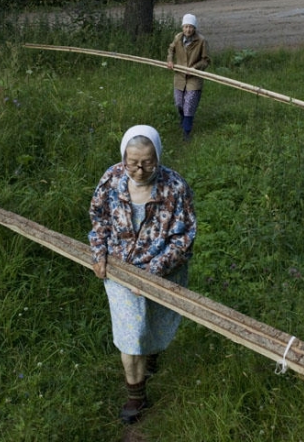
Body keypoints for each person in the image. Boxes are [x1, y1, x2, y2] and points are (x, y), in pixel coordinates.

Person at [88, 125, 197, 424]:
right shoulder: (111, 179)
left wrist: (155, 270)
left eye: (147, 162)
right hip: (121, 269)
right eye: (132, 161)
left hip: (163, 269)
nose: (139, 169)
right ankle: (135, 396)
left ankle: (150, 356)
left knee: (154, 321)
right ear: (123, 157)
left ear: (158, 157)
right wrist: (99, 254)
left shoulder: (174, 187)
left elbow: (185, 236)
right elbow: (98, 220)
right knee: (131, 335)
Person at [167, 13, 210, 141]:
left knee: (189, 104)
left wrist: (195, 69)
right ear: (182, 27)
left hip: (194, 78)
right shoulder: (178, 38)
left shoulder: (201, 41)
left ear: (194, 28)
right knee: (179, 103)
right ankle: (184, 119)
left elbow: (206, 60)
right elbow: (171, 50)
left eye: (191, 27)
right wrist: (170, 60)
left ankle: (187, 131)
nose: (188, 30)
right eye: (186, 27)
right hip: (180, 76)